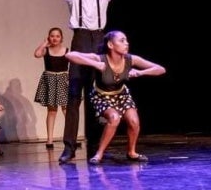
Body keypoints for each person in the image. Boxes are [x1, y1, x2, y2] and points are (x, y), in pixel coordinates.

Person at [59, 0, 130, 164]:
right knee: (74, 95)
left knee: (100, 93)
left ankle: (98, 147)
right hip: (80, 39)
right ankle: (69, 147)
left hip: (100, 41)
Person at [65, 30, 165, 164]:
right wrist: (95, 64)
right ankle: (99, 154)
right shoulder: (100, 59)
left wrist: (140, 73)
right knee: (114, 118)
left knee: (134, 120)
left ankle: (131, 152)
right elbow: (70, 55)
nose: (126, 43)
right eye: (122, 41)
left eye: (126, 40)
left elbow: (160, 69)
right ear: (110, 45)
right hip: (101, 96)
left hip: (121, 95)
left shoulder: (131, 59)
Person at [33, 27, 69, 150]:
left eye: (57, 36)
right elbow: (37, 54)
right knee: (52, 111)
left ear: (61, 38)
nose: (55, 38)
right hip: (50, 80)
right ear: (49, 37)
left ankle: (70, 138)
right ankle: (49, 139)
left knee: (66, 110)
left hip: (63, 80)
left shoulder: (66, 51)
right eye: (52, 36)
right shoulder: (46, 50)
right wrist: (44, 44)